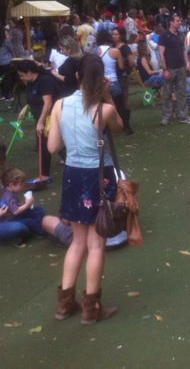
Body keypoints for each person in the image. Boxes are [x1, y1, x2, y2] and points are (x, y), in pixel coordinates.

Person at [47, 53, 123, 324]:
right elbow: (119, 127)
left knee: (77, 242)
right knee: (96, 242)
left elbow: (53, 147)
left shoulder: (59, 106)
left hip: (72, 174)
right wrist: (108, 95)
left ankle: (64, 304)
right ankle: (92, 307)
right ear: (100, 78)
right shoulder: (105, 109)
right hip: (99, 176)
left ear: (78, 76)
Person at [0, 168, 73, 245]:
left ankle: (42, 223)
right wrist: (27, 204)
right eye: (21, 184)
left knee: (39, 210)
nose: (23, 186)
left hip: (16, 214)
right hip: (11, 218)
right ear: (11, 185)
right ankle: (42, 231)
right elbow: (15, 212)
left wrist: (24, 204)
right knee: (31, 222)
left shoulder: (10, 192)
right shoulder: (8, 196)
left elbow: (15, 206)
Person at [14, 59, 55, 180]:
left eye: (22, 75)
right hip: (39, 116)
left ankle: (44, 175)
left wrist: (41, 122)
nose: (21, 78)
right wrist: (25, 108)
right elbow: (33, 98)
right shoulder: (31, 82)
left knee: (44, 143)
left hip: (50, 116)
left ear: (30, 72)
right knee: (49, 143)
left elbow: (48, 103)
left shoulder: (44, 81)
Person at [159, 13, 190, 125]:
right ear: (171, 22)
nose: (179, 23)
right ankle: (166, 117)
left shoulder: (180, 34)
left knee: (182, 92)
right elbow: (161, 53)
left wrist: (187, 63)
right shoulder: (164, 35)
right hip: (169, 68)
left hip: (181, 68)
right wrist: (164, 69)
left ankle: (183, 116)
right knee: (167, 94)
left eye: (180, 21)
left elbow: (184, 51)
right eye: (177, 21)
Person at [96, 30, 130, 135]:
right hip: (114, 81)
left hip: (102, 81)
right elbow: (121, 67)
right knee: (120, 105)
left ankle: (107, 128)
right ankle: (125, 126)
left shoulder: (97, 51)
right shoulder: (115, 51)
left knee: (104, 106)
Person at [111, 27, 134, 135]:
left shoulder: (124, 48)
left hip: (122, 76)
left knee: (124, 99)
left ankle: (126, 124)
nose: (114, 36)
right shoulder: (112, 47)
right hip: (113, 76)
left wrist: (126, 70)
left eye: (116, 34)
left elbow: (131, 62)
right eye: (113, 34)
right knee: (116, 99)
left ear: (121, 35)